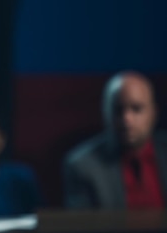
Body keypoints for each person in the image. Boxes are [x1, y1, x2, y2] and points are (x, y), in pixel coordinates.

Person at [64, 71, 167, 209]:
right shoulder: (83, 166)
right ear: (105, 112)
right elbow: (81, 227)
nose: (127, 119)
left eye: (136, 109)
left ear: (154, 113)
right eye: (118, 110)